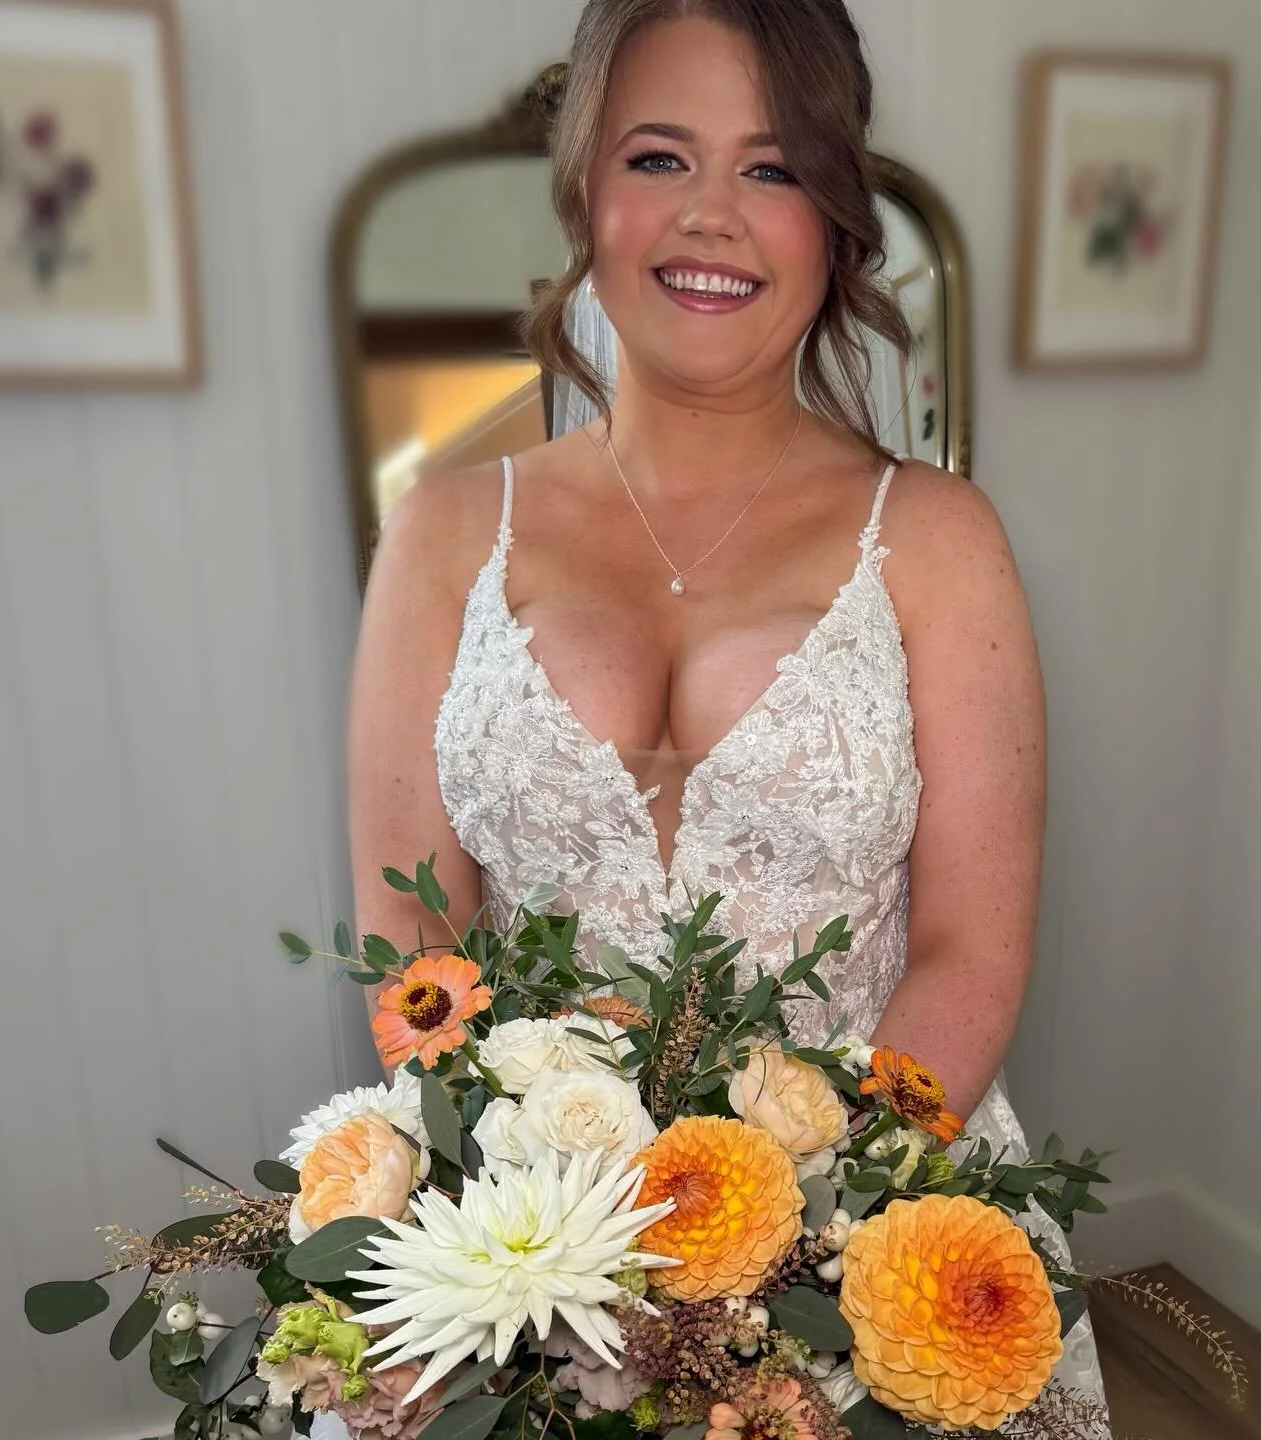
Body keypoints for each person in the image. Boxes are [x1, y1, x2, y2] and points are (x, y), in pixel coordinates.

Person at [346, 0, 1110, 1429]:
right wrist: (530, 1232)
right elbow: (412, 936)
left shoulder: (938, 540)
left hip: (870, 1224)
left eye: (770, 168)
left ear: (833, 217)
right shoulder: (445, 533)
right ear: (586, 190)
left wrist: (820, 1246)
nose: (711, 217)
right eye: (657, 157)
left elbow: (967, 942)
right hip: (529, 1248)